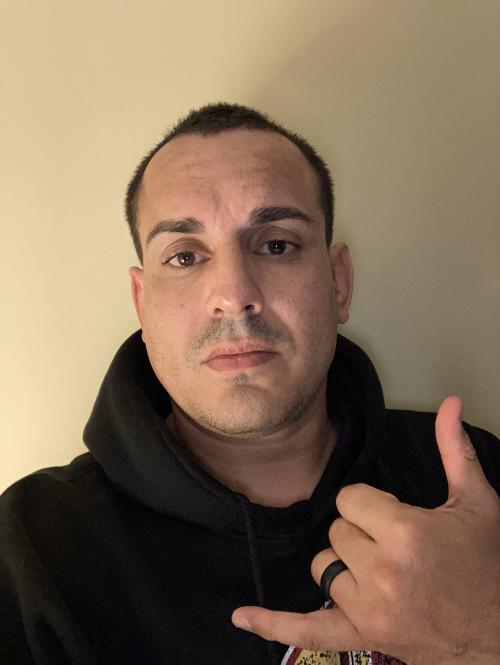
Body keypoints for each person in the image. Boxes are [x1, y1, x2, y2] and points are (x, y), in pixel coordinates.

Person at [1, 103, 499, 665]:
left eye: (276, 244)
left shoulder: (472, 488)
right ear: (142, 302)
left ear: (338, 282)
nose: (233, 295)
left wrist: (482, 630)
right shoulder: (34, 548)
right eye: (184, 256)